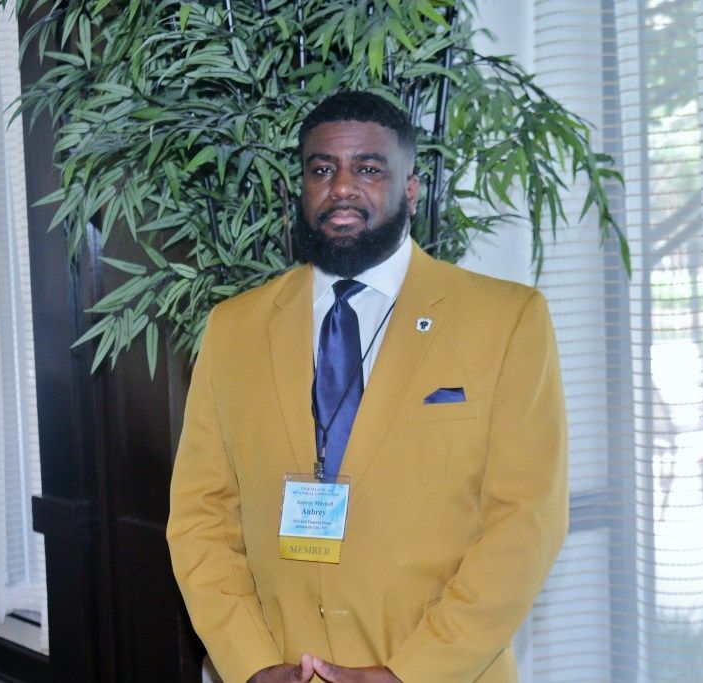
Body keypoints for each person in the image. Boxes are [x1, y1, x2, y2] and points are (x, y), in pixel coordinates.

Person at [167, 91, 568, 683]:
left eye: (369, 169)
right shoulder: (234, 328)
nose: (341, 188)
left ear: (412, 188)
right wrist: (251, 664)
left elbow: (526, 523)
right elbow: (200, 516)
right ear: (301, 188)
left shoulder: (506, 320)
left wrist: (413, 673)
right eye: (321, 170)